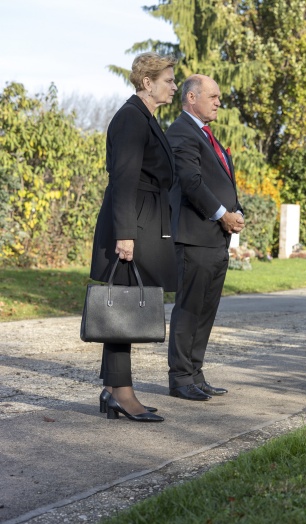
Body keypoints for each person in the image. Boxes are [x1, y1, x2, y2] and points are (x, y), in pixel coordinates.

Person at [89, 52, 179, 422]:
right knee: (121, 309)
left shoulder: (145, 117)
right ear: (148, 83)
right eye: (169, 80)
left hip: (144, 220)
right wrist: (125, 235)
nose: (175, 86)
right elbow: (123, 179)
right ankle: (123, 395)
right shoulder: (130, 118)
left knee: (122, 309)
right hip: (132, 226)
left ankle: (113, 391)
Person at [165, 74, 244, 401]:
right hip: (195, 238)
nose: (218, 102)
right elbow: (191, 181)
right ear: (192, 98)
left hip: (216, 239)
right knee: (189, 309)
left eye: (219, 97)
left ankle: (196, 374)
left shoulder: (207, 135)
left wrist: (237, 211)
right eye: (212, 96)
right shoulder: (181, 132)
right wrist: (222, 214)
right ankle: (181, 379)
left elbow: (223, 180)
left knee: (206, 310)